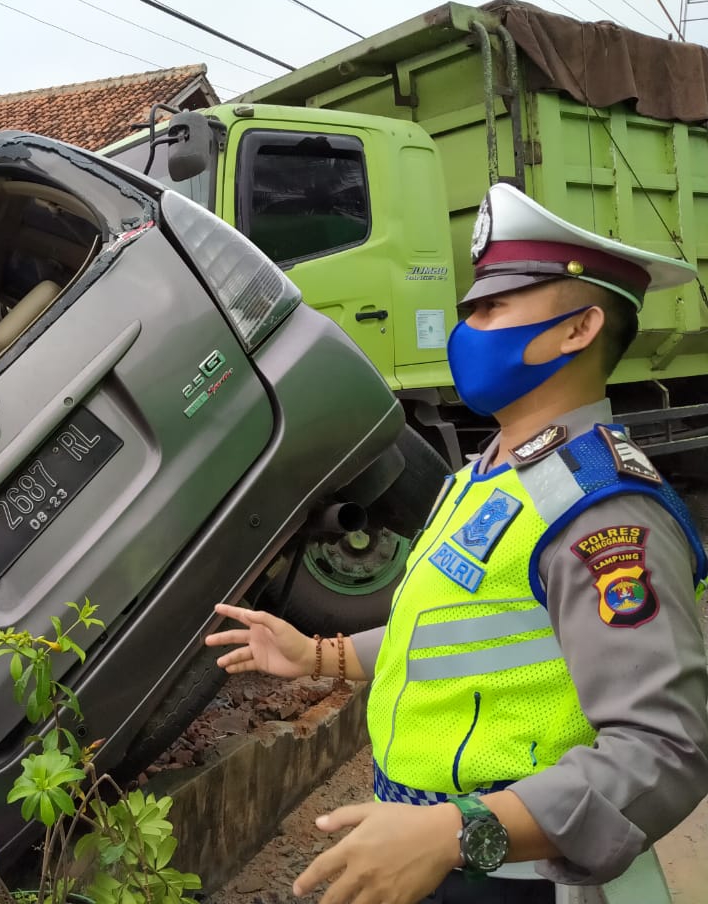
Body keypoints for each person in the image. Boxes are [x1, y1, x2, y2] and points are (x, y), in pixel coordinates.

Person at [206, 183, 708, 904]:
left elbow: (665, 750)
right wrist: (317, 655)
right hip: (427, 850)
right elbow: (450, 631)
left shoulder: (602, 509)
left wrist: (456, 834)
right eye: (470, 307)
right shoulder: (485, 475)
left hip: (509, 874)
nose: (469, 326)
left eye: (495, 307)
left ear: (579, 328)